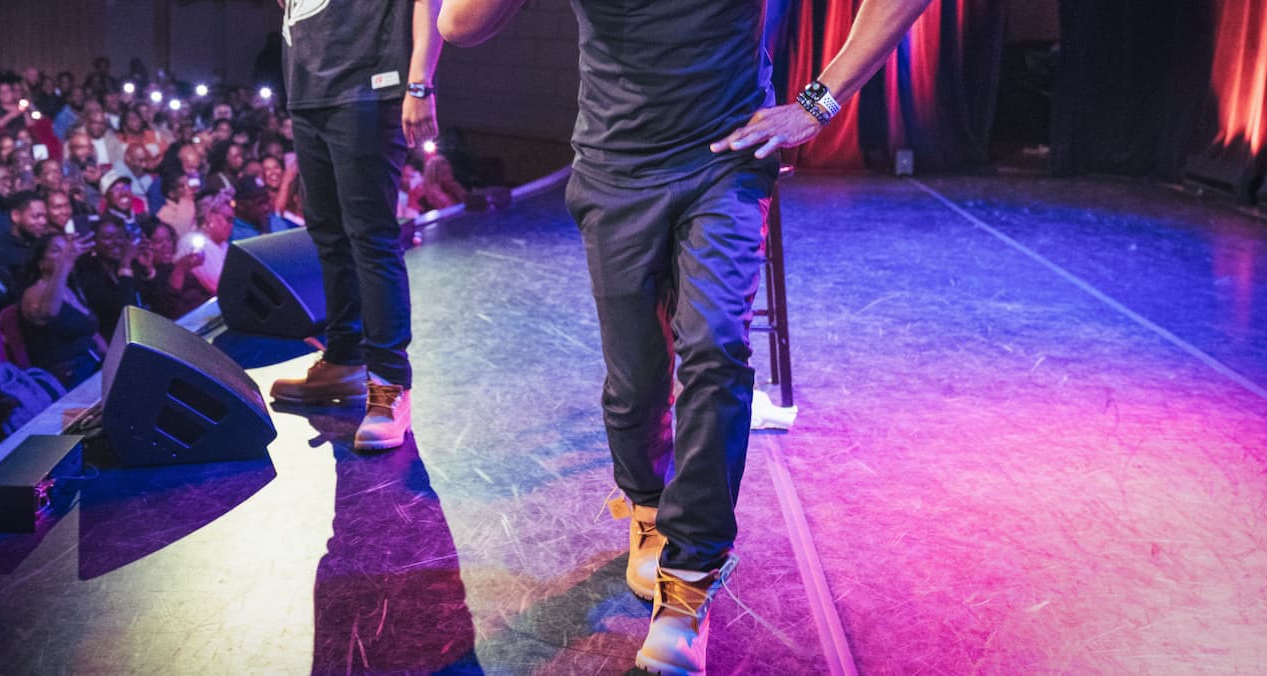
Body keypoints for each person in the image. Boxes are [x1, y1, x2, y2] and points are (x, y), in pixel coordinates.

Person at [439, 0, 934, 670]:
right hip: (615, 170)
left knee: (715, 348)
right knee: (636, 381)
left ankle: (690, 581)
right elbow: (460, 26)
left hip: (726, 159)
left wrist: (818, 104)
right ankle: (647, 506)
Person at [270, 0, 442, 451]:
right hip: (308, 88)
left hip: (369, 86)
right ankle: (344, 358)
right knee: (328, 236)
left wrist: (419, 83)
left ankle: (389, 386)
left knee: (371, 240)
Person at [17, 234, 103, 388]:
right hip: (67, 376)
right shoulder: (34, 292)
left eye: (67, 250)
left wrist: (114, 360)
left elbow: (94, 333)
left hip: (94, 364)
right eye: (57, 251)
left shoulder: (70, 289)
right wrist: (64, 263)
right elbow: (49, 312)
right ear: (41, 264)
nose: (66, 254)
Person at [139, 221, 211, 320]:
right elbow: (169, 310)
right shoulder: (148, 277)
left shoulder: (173, 266)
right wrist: (180, 269)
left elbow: (204, 295)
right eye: (159, 241)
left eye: (168, 239)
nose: (167, 245)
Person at [174, 188, 232, 296]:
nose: (231, 225)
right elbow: (217, 285)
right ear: (209, 216)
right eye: (228, 219)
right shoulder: (190, 243)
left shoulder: (225, 245)